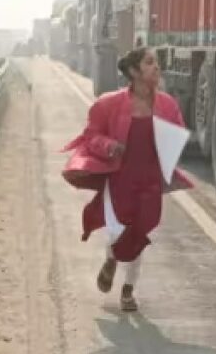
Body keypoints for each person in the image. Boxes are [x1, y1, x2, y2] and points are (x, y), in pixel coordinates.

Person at [61, 47, 193, 312]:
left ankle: (128, 289)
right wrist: (110, 147)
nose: (157, 67)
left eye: (157, 63)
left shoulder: (167, 104)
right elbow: (91, 136)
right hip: (120, 179)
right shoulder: (109, 104)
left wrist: (170, 149)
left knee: (139, 233)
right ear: (134, 71)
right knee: (118, 230)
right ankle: (111, 261)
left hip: (150, 181)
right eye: (149, 63)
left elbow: (177, 134)